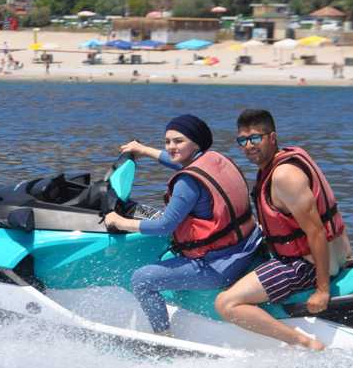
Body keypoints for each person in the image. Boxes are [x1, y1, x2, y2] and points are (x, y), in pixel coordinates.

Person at [103, 115, 261, 335]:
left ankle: (163, 337)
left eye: (178, 141)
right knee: (152, 215)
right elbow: (177, 160)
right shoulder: (215, 159)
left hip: (218, 265)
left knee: (141, 279)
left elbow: (164, 227)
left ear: (195, 143)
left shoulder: (187, 183)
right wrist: (144, 150)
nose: (171, 147)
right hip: (246, 246)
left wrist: (119, 221)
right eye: (167, 142)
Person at [215, 109, 353, 351]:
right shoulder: (286, 158)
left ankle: (304, 342)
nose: (248, 146)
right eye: (242, 140)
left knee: (226, 303)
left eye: (255, 138)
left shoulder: (284, 175)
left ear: (272, 137)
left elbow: (317, 232)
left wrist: (322, 290)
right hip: (331, 254)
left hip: (305, 264)